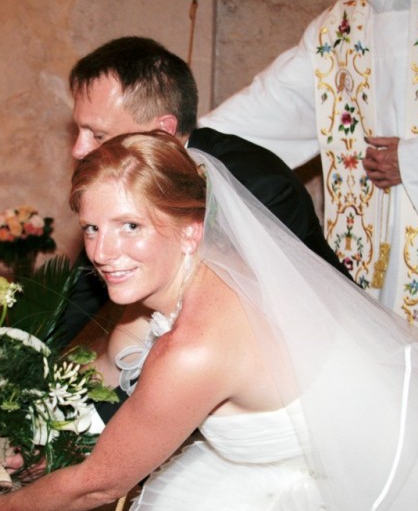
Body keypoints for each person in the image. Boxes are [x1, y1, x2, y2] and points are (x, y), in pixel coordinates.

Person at [0, 131, 418, 511]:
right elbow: (106, 369)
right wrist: (17, 418)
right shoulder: (181, 278)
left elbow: (100, 482)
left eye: (130, 226)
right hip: (288, 459)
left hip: (383, 483)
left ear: (191, 230)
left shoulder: (197, 346)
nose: (104, 252)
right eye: (92, 228)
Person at [199, 0, 418, 394]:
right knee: (365, 383)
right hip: (360, 247)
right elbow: (269, 106)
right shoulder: (337, 26)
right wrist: (179, 144)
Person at [59, 37, 349, 414]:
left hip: (310, 390)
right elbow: (81, 292)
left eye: (97, 135)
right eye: (79, 131)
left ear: (162, 131)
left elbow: (220, 340)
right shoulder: (127, 187)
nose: (79, 150)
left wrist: (89, 428)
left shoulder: (260, 188)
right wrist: (15, 358)